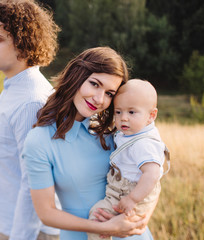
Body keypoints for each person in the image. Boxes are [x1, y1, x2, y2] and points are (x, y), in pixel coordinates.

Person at [23, 47, 155, 240]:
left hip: (134, 234)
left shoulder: (114, 132)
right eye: (94, 84)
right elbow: (46, 213)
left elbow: (153, 175)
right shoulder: (39, 140)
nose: (99, 99)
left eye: (110, 93)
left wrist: (141, 219)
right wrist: (109, 228)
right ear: (77, 76)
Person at [0, 0, 61, 239]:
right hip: (9, 222)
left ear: (24, 45)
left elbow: (34, 184)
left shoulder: (31, 102)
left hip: (27, 232)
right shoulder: (15, 86)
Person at [87, 79, 170, 240]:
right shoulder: (130, 133)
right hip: (123, 191)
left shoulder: (144, 143)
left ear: (151, 115)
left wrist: (132, 199)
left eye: (131, 112)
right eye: (118, 112)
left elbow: (152, 175)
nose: (123, 118)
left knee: (97, 219)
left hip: (130, 193)